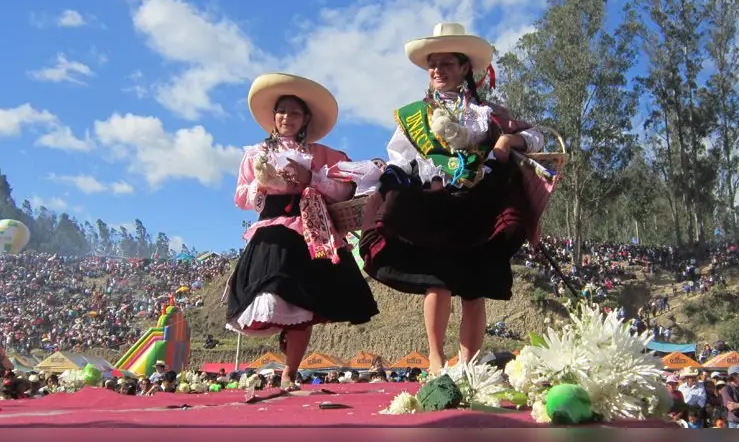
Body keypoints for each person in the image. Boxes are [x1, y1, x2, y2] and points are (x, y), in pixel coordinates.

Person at [358, 22, 550, 376]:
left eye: (447, 63)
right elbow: (401, 160)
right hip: (434, 201)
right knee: (437, 280)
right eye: (433, 64)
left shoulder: (489, 113)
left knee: (474, 286)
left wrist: (508, 143)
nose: (438, 70)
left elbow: (538, 136)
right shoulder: (413, 115)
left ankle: (470, 365)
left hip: (479, 202)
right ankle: (434, 359)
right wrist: (388, 184)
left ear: (465, 68)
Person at [226, 73, 379, 391]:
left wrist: (312, 178)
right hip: (274, 230)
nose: (286, 117)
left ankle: (289, 372)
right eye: (282, 111)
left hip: (313, 232)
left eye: (295, 112)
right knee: (273, 287)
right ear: (274, 115)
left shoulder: (324, 155)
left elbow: (345, 192)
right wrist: (262, 181)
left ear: (305, 118)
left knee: (305, 306)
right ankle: (281, 337)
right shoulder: (256, 153)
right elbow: (241, 197)